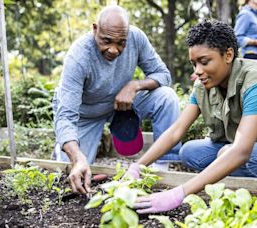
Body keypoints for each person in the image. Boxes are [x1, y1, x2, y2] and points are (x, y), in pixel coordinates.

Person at [127, 19, 257, 214]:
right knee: (189, 152)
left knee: (232, 155)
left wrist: (179, 193)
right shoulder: (204, 86)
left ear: (228, 55)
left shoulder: (256, 84)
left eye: (204, 62)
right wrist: (138, 165)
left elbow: (240, 151)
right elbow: (176, 131)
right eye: (194, 63)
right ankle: (244, 180)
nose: (198, 71)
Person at [52, 5, 181, 194]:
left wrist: (134, 85)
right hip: (85, 114)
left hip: (120, 104)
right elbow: (65, 116)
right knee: (70, 175)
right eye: (106, 41)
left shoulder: (136, 37)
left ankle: (162, 169)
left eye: (121, 43)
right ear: (95, 29)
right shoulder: (78, 56)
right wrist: (76, 156)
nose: (113, 49)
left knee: (166, 97)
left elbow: (163, 74)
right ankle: (63, 153)